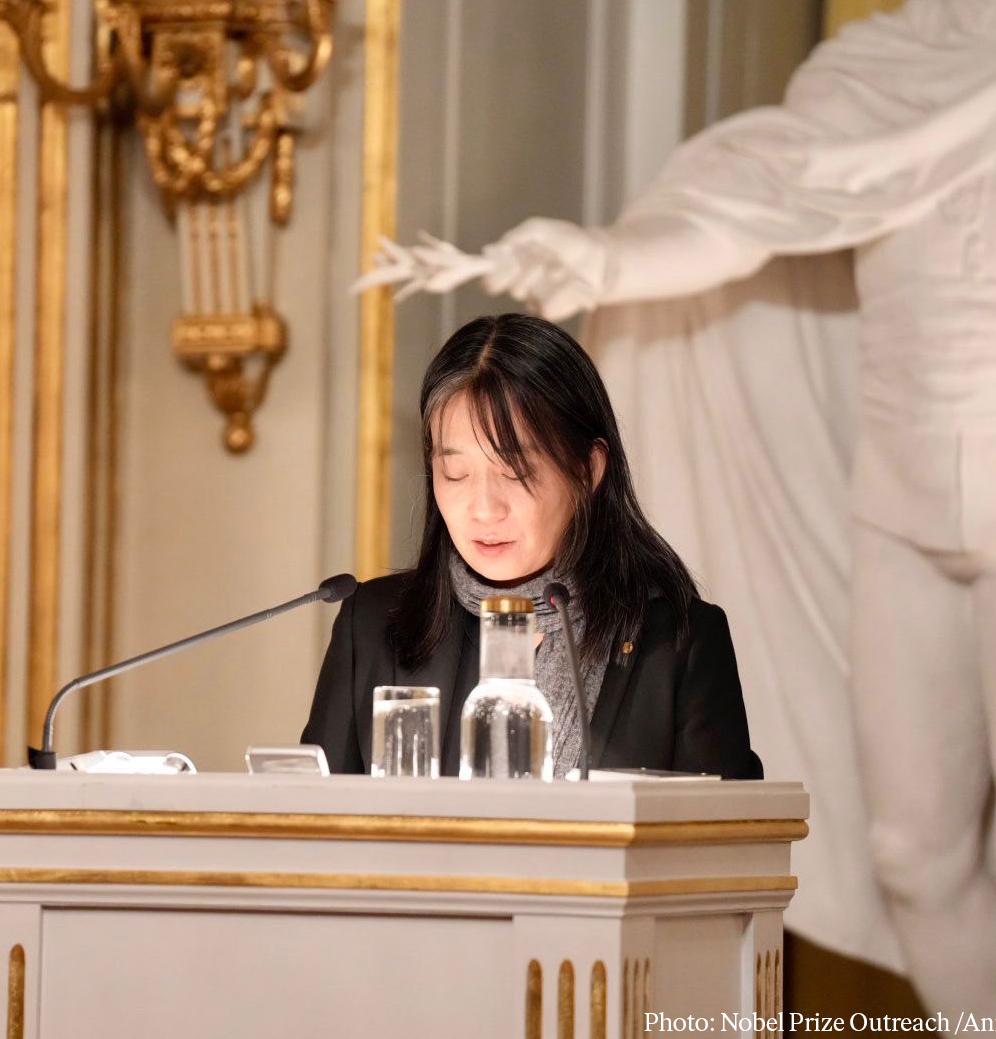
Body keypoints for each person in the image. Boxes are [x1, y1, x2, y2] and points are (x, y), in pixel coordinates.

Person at [359, 0, 996, 1016]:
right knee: (912, 853)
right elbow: (759, 207)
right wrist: (604, 258)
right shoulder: (878, 61)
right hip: (899, 492)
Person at [301, 313, 762, 780]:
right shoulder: (372, 625)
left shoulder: (677, 645)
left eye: (515, 474)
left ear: (588, 471)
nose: (483, 509)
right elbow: (310, 832)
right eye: (455, 474)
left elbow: (727, 845)